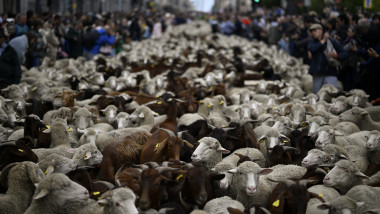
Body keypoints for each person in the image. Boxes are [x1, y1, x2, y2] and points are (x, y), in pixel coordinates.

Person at [308, 23, 347, 93]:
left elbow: (344, 53)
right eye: (312, 31)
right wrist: (323, 41)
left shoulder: (331, 42)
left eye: (315, 30)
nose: (313, 33)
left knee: (333, 94)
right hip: (317, 73)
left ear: (321, 31)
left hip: (330, 72)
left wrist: (336, 56)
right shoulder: (312, 41)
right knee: (317, 95)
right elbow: (312, 49)